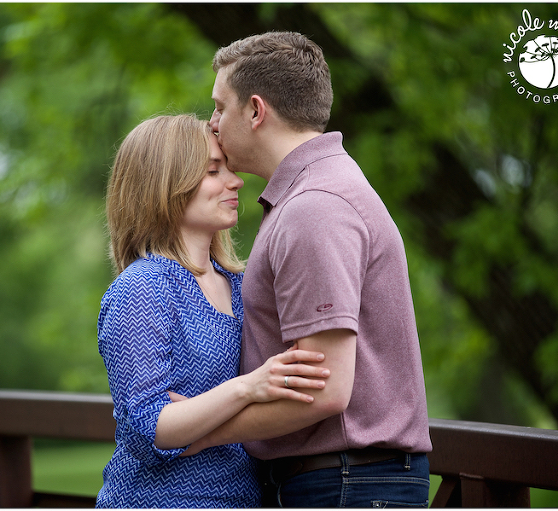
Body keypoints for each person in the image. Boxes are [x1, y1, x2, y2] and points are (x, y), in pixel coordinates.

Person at [185, 31, 433, 507]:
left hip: (347, 483)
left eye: (219, 107)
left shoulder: (314, 208)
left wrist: (199, 430)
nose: (212, 123)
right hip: (345, 480)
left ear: (256, 111)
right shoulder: (315, 194)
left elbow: (325, 392)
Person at [95, 114, 331, 508]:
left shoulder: (241, 285)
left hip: (242, 498)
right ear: (165, 184)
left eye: (229, 168)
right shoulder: (143, 287)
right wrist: (246, 387)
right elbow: (146, 428)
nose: (236, 181)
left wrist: (195, 411)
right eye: (212, 170)